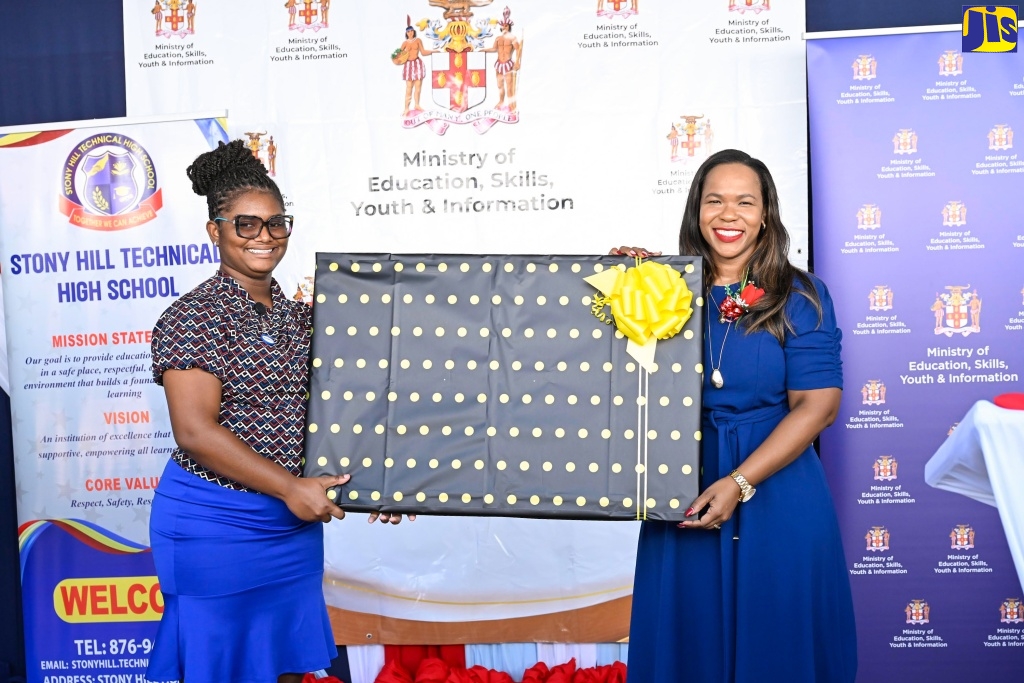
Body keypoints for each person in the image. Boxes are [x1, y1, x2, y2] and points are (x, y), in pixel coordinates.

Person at [147, 140, 408, 683]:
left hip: (289, 530)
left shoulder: (302, 317)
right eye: (245, 225)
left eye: (276, 224)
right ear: (214, 231)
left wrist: (384, 480)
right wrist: (291, 487)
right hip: (213, 524)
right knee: (216, 668)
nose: (264, 237)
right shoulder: (193, 315)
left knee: (285, 669)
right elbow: (196, 432)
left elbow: (339, 412)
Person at [612, 149, 856, 682]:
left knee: (780, 642)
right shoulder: (663, 293)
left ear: (766, 213)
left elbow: (819, 406)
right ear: (695, 211)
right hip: (685, 487)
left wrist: (740, 481)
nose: (729, 214)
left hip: (778, 489)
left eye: (745, 202)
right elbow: (598, 380)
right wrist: (619, 286)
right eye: (714, 200)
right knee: (689, 640)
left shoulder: (801, 295)